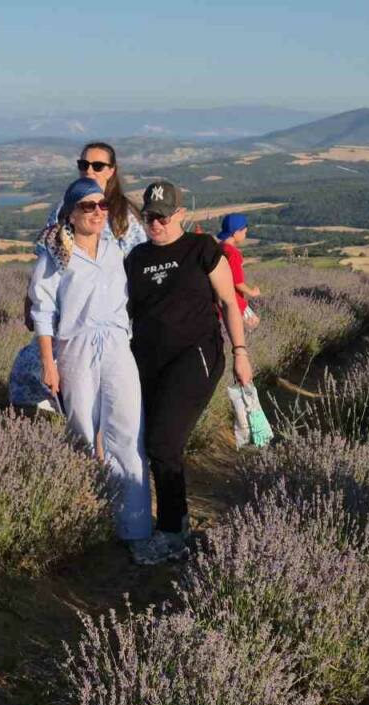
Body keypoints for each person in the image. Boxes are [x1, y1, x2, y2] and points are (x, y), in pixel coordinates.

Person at [125, 180, 253, 564]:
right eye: (149, 217)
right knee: (147, 442)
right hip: (146, 358)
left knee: (163, 442)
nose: (156, 223)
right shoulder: (135, 258)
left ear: (180, 214)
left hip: (196, 355)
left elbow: (229, 302)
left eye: (163, 216)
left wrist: (240, 353)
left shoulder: (202, 249)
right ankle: (156, 522)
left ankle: (173, 531)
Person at [29, 178, 152, 562]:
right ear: (71, 212)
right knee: (80, 431)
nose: (97, 212)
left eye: (102, 205)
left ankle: (133, 527)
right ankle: (84, 523)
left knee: (127, 431)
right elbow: (42, 310)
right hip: (75, 348)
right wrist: (48, 362)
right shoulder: (56, 255)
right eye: (88, 206)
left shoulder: (118, 249)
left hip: (117, 346)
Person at [43, 141, 147, 252]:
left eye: (98, 166)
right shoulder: (64, 206)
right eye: (84, 165)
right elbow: (45, 248)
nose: (89, 171)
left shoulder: (124, 214)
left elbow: (138, 259)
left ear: (111, 171)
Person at [216, 213, 261, 329]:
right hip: (235, 302)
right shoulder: (233, 254)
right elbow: (238, 283)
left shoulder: (219, 247)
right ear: (236, 233)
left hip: (219, 301)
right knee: (253, 326)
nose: (245, 235)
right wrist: (252, 292)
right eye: (245, 232)